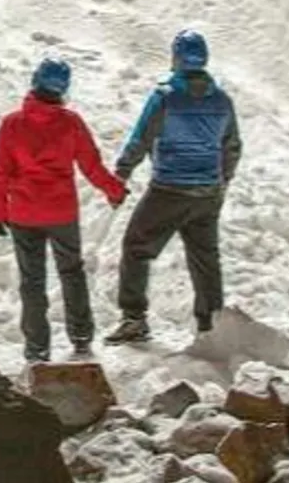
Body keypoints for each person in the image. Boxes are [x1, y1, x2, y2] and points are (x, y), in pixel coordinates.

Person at [105, 29, 241, 345]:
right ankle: (210, 326)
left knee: (136, 247)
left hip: (168, 190)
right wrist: (222, 180)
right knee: (205, 259)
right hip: (207, 193)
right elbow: (232, 146)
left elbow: (141, 139)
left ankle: (134, 319)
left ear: (177, 58)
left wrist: (121, 175)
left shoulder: (165, 97)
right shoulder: (222, 101)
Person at [0, 56, 126, 363]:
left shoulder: (12, 125)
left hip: (24, 214)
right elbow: (91, 165)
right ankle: (80, 338)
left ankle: (37, 349)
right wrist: (114, 190)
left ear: (35, 81)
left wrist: (0, 212)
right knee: (72, 273)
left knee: (32, 281)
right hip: (61, 213)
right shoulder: (71, 123)